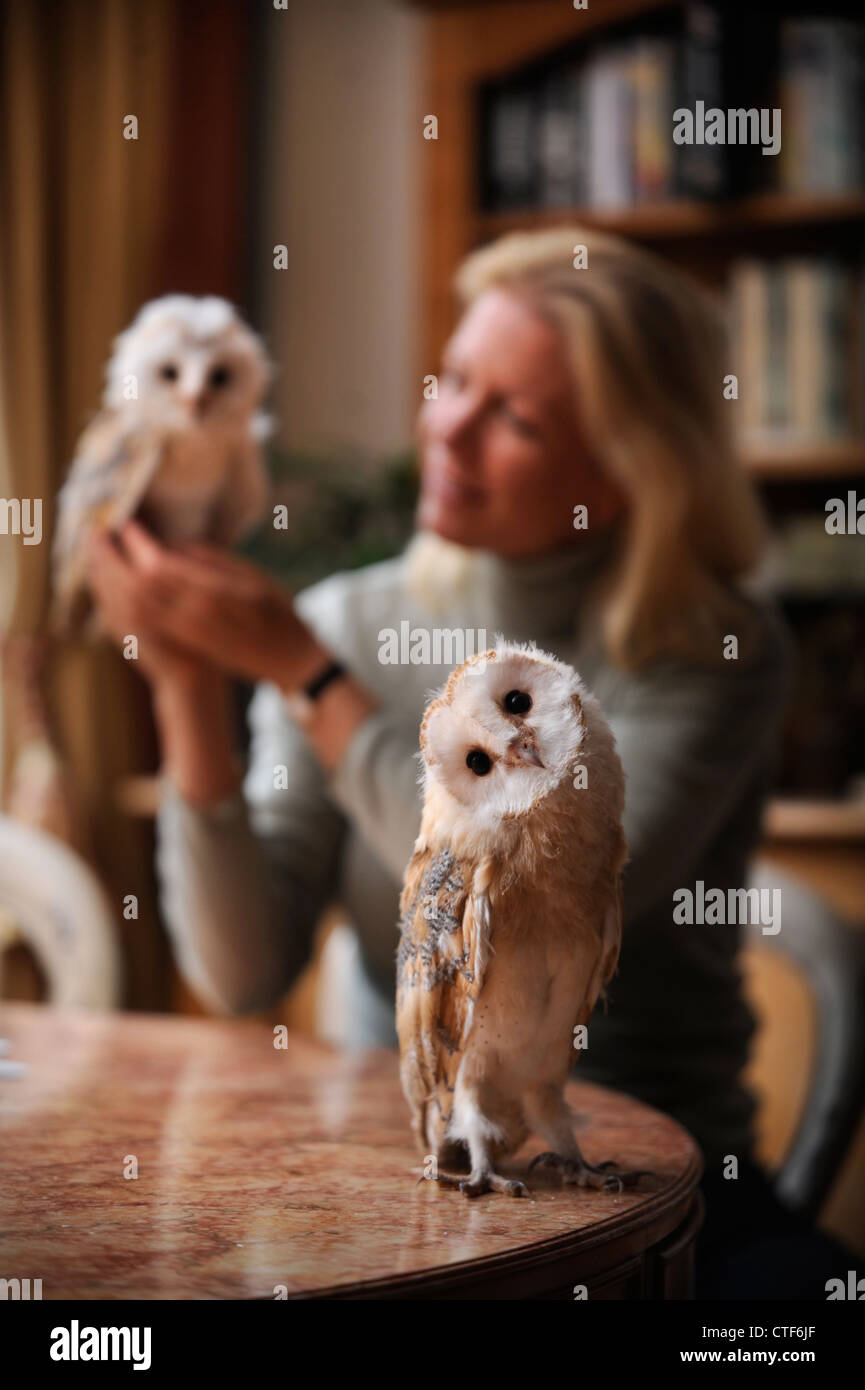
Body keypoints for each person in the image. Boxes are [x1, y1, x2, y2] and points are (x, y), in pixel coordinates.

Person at [88, 227, 844, 1296]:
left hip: (646, 1192)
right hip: (408, 1168)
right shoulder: (351, 619)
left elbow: (542, 899)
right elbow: (240, 966)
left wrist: (311, 684)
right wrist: (184, 683)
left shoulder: (707, 650)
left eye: (514, 418)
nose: (449, 431)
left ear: (626, 471)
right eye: (454, 385)